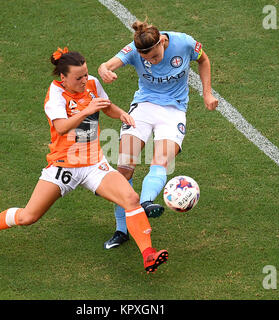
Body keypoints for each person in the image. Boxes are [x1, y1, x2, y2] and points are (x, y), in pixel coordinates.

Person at [0, 47, 168, 274]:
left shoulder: (92, 84)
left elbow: (106, 106)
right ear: (62, 78)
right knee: (28, 216)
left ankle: (148, 254)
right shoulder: (55, 95)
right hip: (63, 165)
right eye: (79, 78)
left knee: (131, 198)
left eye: (86, 74)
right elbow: (61, 127)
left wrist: (121, 113)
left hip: (93, 163)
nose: (85, 80)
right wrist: (87, 111)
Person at [98, 20, 219, 250]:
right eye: (147, 59)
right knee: (124, 167)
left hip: (173, 111)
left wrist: (207, 93)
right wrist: (104, 70)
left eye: (154, 56)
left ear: (162, 42)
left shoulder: (184, 42)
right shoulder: (135, 50)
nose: (152, 61)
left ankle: (145, 202)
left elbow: (203, 59)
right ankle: (121, 230)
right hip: (143, 106)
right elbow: (107, 65)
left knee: (160, 161)